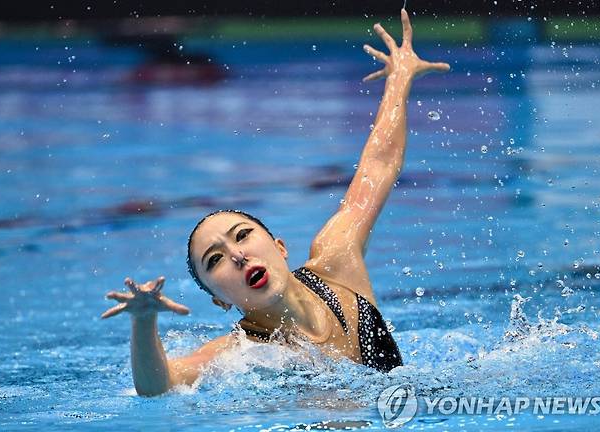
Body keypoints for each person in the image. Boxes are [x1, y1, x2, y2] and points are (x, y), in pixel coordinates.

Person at [101, 8, 450, 397]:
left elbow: (378, 165)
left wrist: (400, 79)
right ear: (220, 301)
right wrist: (144, 323)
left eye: (242, 235)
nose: (236, 255)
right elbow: (159, 384)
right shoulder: (241, 354)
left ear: (280, 247)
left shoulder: (337, 264)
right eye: (214, 260)